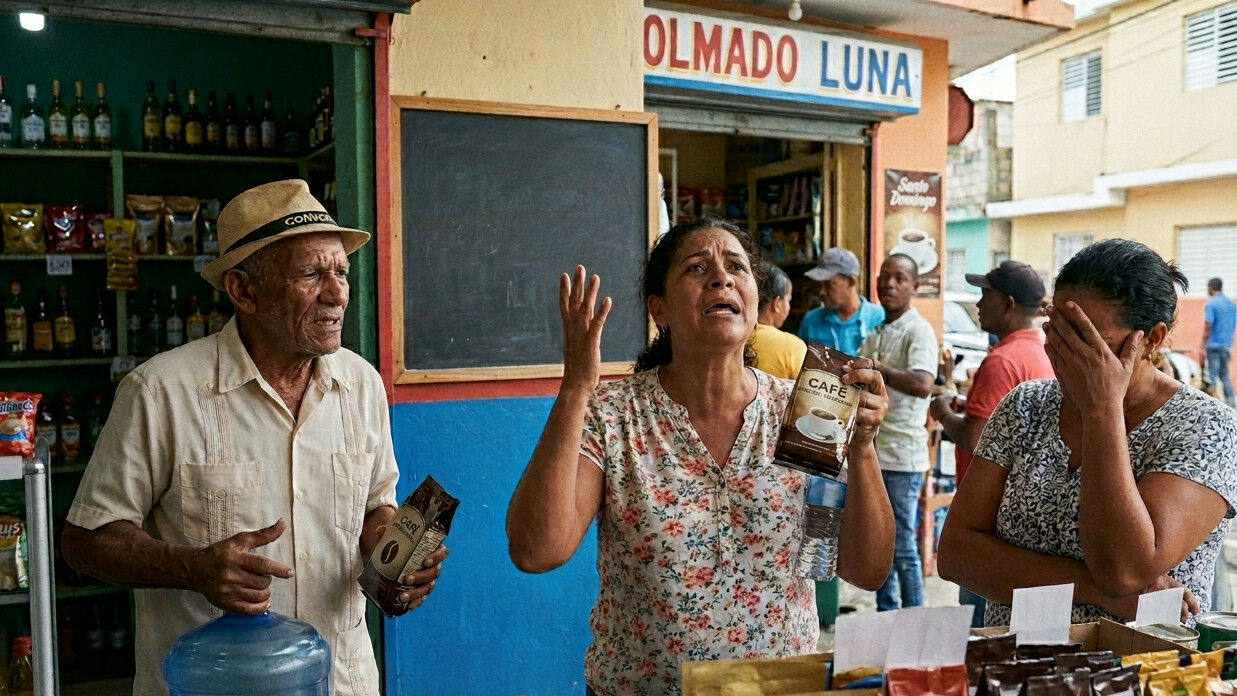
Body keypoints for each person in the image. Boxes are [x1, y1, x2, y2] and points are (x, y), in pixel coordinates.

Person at [60, 180, 447, 696]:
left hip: (341, 679)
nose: (337, 294)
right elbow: (85, 541)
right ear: (243, 290)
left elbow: (376, 503)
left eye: (341, 272)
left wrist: (392, 551)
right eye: (311, 274)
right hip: (212, 684)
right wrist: (191, 568)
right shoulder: (161, 391)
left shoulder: (361, 384)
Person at [506, 217, 895, 696]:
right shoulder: (615, 414)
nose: (721, 278)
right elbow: (536, 551)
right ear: (660, 308)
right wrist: (575, 389)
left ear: (755, 301)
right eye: (696, 268)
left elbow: (865, 570)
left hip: (781, 688)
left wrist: (862, 448)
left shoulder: (799, 413)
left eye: (737, 267)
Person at [938, 238, 1237, 626]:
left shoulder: (1205, 426)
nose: (1066, 354)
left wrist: (1101, 410)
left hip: (1143, 661)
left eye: (1089, 342)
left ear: (1152, 339)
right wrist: (1096, 591)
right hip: (1015, 658)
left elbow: (1124, 569)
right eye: (1058, 333)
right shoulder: (1025, 406)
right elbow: (957, 555)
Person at [929, 260, 1053, 626]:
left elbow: (976, 438)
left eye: (986, 295)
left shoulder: (1001, 361)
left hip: (988, 511)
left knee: (981, 625)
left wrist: (943, 412)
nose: (979, 304)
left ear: (1009, 304)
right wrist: (969, 406)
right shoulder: (1042, 351)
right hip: (1025, 504)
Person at [857, 254, 938, 612]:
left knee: (902, 543)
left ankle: (914, 618)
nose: (889, 284)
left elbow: (923, 383)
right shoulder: (877, 331)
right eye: (884, 277)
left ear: (914, 286)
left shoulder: (917, 330)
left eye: (900, 278)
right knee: (879, 540)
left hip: (903, 456)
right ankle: (887, 614)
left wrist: (877, 368)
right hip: (875, 453)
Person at [798, 247, 885, 355]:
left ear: (851, 281)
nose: (822, 292)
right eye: (820, 285)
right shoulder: (811, 321)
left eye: (829, 285)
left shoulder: (879, 318)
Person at [750, 261, 808, 379]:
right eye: (788, 300)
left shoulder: (731, 338)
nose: (789, 308)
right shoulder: (791, 346)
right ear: (776, 303)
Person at [1202, 277, 1236, 407]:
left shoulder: (1211, 304)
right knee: (1224, 374)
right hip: (1226, 344)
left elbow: (1208, 325)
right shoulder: (1231, 304)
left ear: (1211, 288)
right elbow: (1233, 325)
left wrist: (1202, 344)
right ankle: (1231, 401)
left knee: (1212, 374)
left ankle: (1211, 403)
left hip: (1213, 344)